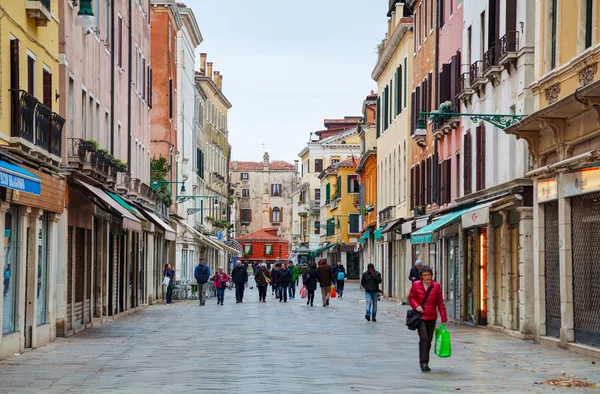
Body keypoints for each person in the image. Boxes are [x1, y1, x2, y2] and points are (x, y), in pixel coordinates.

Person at [408, 265, 448, 372]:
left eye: (429, 275)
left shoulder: (436, 286)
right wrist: (417, 306)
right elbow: (411, 297)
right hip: (420, 317)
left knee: (429, 340)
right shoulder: (416, 285)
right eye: (425, 275)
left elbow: (440, 302)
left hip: (432, 317)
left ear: (432, 275)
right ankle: (423, 362)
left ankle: (426, 361)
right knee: (424, 338)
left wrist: (444, 317)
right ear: (421, 276)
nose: (427, 277)